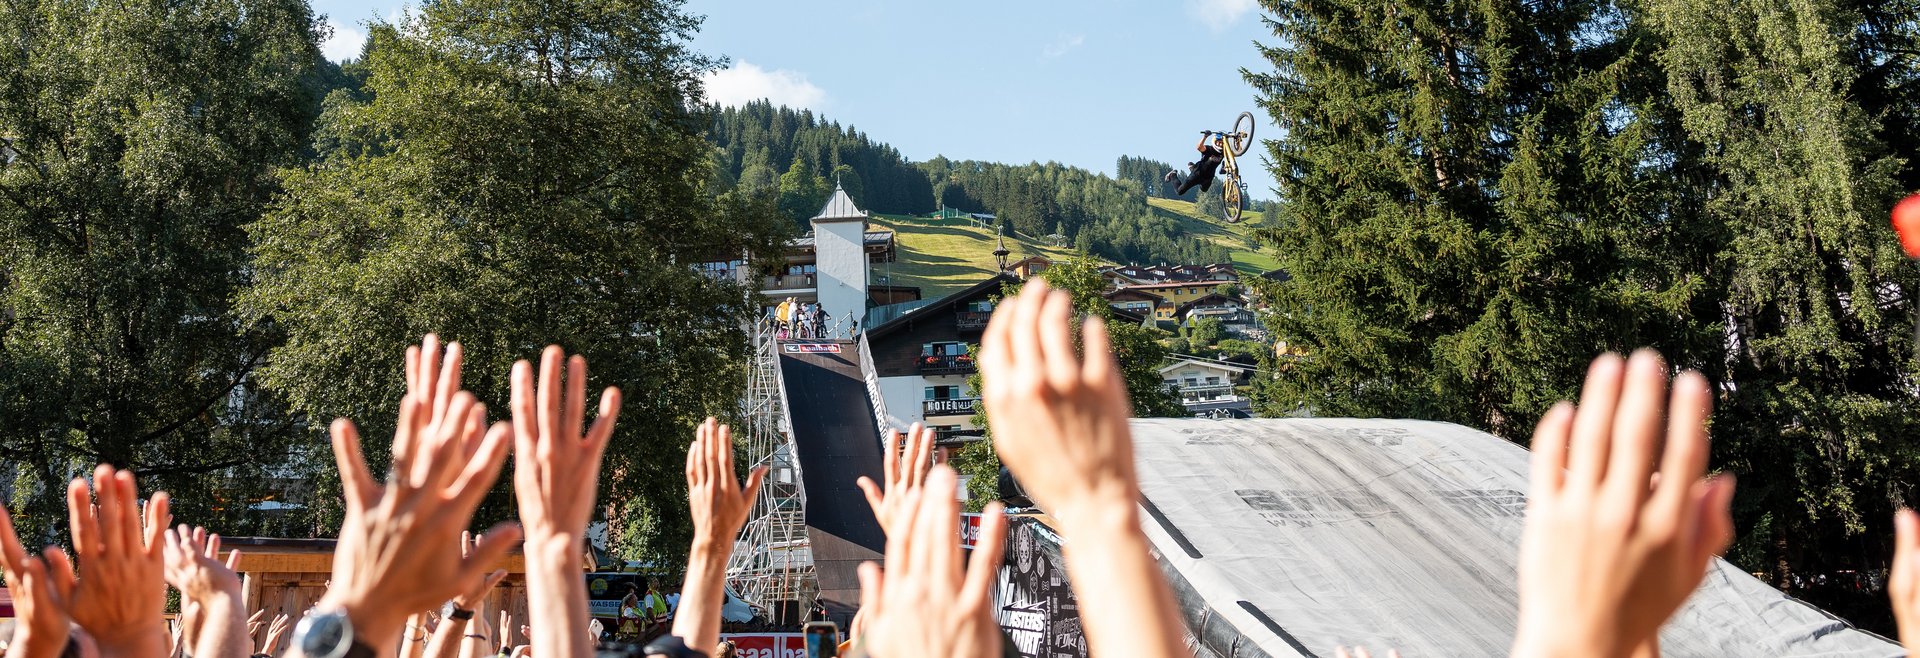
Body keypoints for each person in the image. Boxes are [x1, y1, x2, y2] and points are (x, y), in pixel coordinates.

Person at [1163, 131, 1225, 196]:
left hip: (1208, 177)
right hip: (1197, 174)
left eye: (1222, 143)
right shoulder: (1209, 149)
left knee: (1204, 190)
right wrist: (1205, 136)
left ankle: (1192, 167)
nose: (1220, 144)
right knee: (1179, 191)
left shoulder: (1223, 153)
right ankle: (1173, 174)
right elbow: (1199, 147)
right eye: (1219, 142)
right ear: (1215, 142)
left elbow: (1234, 152)